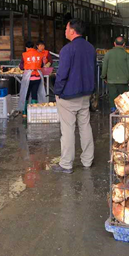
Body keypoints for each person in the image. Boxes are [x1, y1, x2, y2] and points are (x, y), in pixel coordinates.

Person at [52, 19, 96, 174]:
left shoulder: (67, 50)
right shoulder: (90, 48)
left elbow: (62, 74)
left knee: (68, 129)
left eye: (66, 27)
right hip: (85, 94)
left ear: (72, 31)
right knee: (85, 126)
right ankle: (87, 160)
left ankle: (66, 164)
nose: (64, 31)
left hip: (69, 96)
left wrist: (57, 91)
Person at [101, 36, 129, 112]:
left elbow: (104, 67)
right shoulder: (126, 54)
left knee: (113, 98)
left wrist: (104, 77)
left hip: (111, 81)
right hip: (124, 82)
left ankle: (113, 111)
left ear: (114, 43)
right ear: (124, 44)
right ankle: (123, 117)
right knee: (124, 100)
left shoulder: (108, 53)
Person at [20, 41, 43, 117]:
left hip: (28, 78)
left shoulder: (24, 54)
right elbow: (42, 65)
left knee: (26, 94)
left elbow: (21, 66)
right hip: (37, 77)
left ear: (26, 47)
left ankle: (24, 112)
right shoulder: (39, 54)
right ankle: (34, 113)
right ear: (33, 47)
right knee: (34, 94)